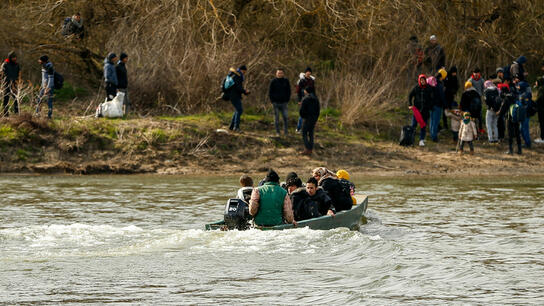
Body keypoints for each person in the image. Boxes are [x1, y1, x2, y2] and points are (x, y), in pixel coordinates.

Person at [408, 74, 434, 146]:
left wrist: (430, 106)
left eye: (424, 80)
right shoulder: (416, 88)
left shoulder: (429, 88)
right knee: (413, 125)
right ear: (419, 80)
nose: (422, 81)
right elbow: (410, 95)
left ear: (426, 80)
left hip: (425, 110)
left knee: (423, 125)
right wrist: (410, 104)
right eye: (421, 80)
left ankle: (421, 140)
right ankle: (411, 139)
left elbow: (432, 98)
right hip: (417, 110)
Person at [497, 80, 522, 154]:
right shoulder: (515, 96)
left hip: (510, 118)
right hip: (516, 117)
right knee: (517, 133)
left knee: (510, 134)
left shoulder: (506, 99)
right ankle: (519, 150)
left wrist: (499, 114)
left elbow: (502, 111)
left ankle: (511, 150)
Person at [268, 68, 291, 136]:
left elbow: (289, 91)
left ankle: (285, 132)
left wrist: (287, 99)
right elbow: (270, 92)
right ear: (276, 74)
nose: (280, 74)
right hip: (275, 103)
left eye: (281, 73)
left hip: (284, 102)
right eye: (278, 73)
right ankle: (278, 132)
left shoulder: (286, 81)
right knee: (276, 118)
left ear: (283, 74)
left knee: (285, 118)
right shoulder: (273, 81)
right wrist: (272, 101)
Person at [299, 86, 320, 155]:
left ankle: (307, 148)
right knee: (311, 133)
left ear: (307, 91)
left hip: (307, 118)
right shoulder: (316, 99)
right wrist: (316, 118)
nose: (304, 91)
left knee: (304, 132)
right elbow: (318, 110)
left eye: (305, 90)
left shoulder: (305, 99)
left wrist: (303, 116)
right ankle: (310, 148)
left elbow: (302, 110)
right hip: (314, 118)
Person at [228, 65, 249, 132]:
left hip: (233, 95)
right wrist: (244, 91)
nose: (244, 73)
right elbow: (237, 87)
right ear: (242, 70)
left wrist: (244, 91)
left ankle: (231, 126)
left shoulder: (234, 75)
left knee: (237, 110)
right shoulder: (237, 75)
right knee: (239, 110)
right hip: (234, 95)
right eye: (244, 71)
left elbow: (237, 87)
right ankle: (236, 127)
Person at [295, 67, 315, 133]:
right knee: (302, 114)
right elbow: (298, 91)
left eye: (310, 72)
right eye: (307, 72)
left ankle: (307, 128)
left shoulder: (312, 81)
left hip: (310, 99)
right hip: (303, 99)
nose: (308, 73)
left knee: (309, 114)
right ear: (305, 72)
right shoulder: (301, 80)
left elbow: (313, 91)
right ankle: (298, 128)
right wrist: (299, 100)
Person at [1, 52, 20, 116]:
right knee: (6, 99)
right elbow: (2, 74)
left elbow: (18, 74)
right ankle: (5, 114)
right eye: (13, 57)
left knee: (16, 99)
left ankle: (16, 113)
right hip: (6, 84)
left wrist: (17, 82)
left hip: (15, 84)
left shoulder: (17, 65)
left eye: (15, 57)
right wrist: (4, 83)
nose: (15, 58)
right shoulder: (5, 64)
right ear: (10, 57)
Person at [429, 73, 446, 142]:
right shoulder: (439, 85)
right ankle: (434, 137)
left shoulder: (432, 84)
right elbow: (442, 96)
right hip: (438, 105)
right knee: (436, 121)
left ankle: (431, 135)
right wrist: (445, 104)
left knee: (432, 121)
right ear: (440, 78)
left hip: (431, 105)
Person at [518, 81, 532, 148]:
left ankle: (528, 143)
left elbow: (527, 104)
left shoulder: (526, 94)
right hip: (522, 114)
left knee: (525, 129)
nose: (518, 87)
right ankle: (526, 142)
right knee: (521, 129)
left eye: (519, 86)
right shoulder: (520, 93)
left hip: (525, 114)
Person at [535, 61, 544, 143]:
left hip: (542, 105)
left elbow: (539, 98)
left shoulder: (541, 88)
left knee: (542, 120)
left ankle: (542, 137)